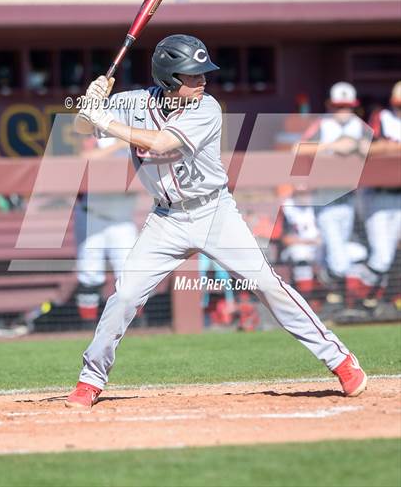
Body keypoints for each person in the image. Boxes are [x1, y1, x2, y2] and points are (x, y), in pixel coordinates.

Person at [65, 35, 367, 409]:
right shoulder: (133, 103)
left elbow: (161, 144)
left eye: (203, 73)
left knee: (266, 284)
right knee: (125, 296)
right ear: (169, 78)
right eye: (193, 75)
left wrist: (105, 120)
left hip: (214, 212)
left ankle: (340, 361)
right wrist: (90, 102)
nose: (203, 80)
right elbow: (82, 128)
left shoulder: (206, 108)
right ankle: (90, 380)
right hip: (165, 218)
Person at [297, 83, 371, 309]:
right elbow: (299, 149)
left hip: (349, 199)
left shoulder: (360, 126)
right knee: (339, 258)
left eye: (347, 107)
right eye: (339, 107)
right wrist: (333, 146)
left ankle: (335, 296)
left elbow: (374, 148)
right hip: (325, 198)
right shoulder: (322, 124)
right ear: (330, 105)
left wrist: (357, 146)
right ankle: (327, 284)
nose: (343, 111)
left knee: (341, 251)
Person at [346, 81, 401, 315]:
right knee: (381, 255)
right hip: (376, 194)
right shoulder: (383, 117)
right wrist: (392, 148)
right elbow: (367, 147)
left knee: (387, 255)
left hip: (397, 194)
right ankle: (355, 297)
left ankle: (371, 300)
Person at [74, 135, 138, 326]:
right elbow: (84, 158)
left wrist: (132, 141)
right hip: (93, 215)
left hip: (122, 219)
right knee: (90, 273)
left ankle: (133, 324)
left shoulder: (139, 134)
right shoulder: (97, 138)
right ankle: (88, 326)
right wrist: (119, 143)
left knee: (131, 273)